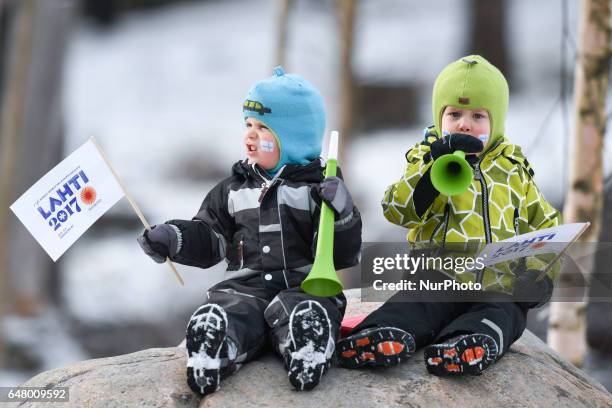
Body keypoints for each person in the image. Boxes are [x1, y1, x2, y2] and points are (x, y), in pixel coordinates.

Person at [137, 66, 362, 394]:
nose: (250, 135)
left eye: (263, 128)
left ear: (294, 137)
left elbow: (342, 253)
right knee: (232, 308)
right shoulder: (231, 190)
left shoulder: (319, 189)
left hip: (304, 287)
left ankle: (308, 342)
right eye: (248, 125)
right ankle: (213, 343)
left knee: (309, 307)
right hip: (248, 290)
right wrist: (174, 238)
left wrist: (342, 213)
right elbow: (210, 237)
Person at [337, 55, 561, 376]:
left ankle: (471, 344)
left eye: (477, 116)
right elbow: (395, 210)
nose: (464, 124)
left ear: (496, 121)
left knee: (507, 312)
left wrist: (538, 274)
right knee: (415, 305)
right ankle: (381, 337)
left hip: (496, 284)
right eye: (454, 114)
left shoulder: (514, 170)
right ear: (439, 117)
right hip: (437, 277)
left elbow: (545, 226)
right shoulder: (425, 157)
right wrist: (429, 175)